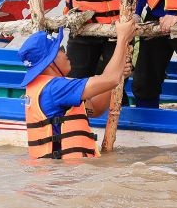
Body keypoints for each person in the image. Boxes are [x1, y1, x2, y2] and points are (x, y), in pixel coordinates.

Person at [19, 18, 137, 161]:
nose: (65, 51)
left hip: (55, 172)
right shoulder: (56, 89)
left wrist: (118, 75)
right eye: (60, 49)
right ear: (49, 63)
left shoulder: (44, 86)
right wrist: (123, 38)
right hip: (62, 174)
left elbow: (95, 110)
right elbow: (110, 79)